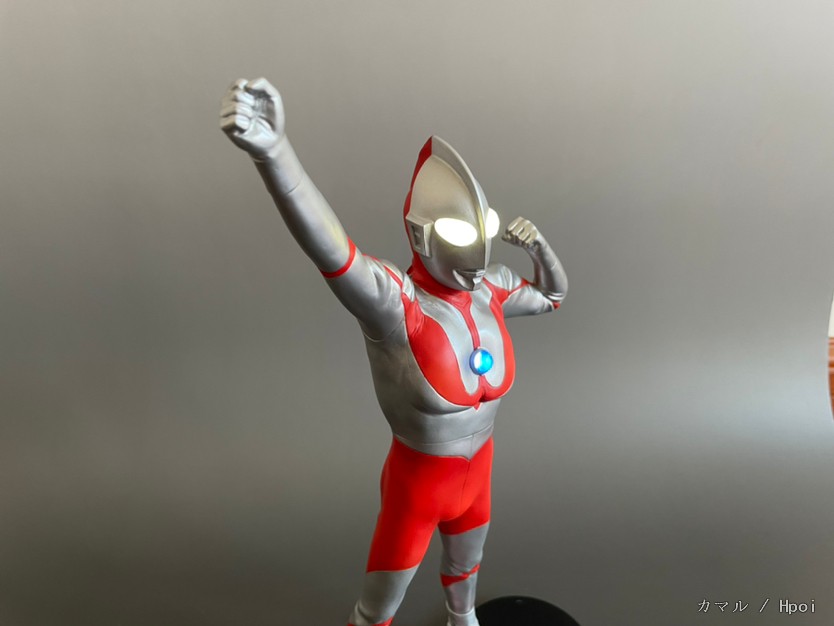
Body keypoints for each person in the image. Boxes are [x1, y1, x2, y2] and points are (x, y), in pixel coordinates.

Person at [220, 77, 568, 626]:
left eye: (485, 228)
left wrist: (540, 247)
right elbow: (331, 250)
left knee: (466, 581)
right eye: (462, 234)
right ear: (422, 235)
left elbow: (553, 296)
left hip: (478, 475)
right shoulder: (395, 304)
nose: (478, 255)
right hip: (417, 488)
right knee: (377, 610)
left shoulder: (493, 289)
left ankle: (462, 619)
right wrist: (275, 154)